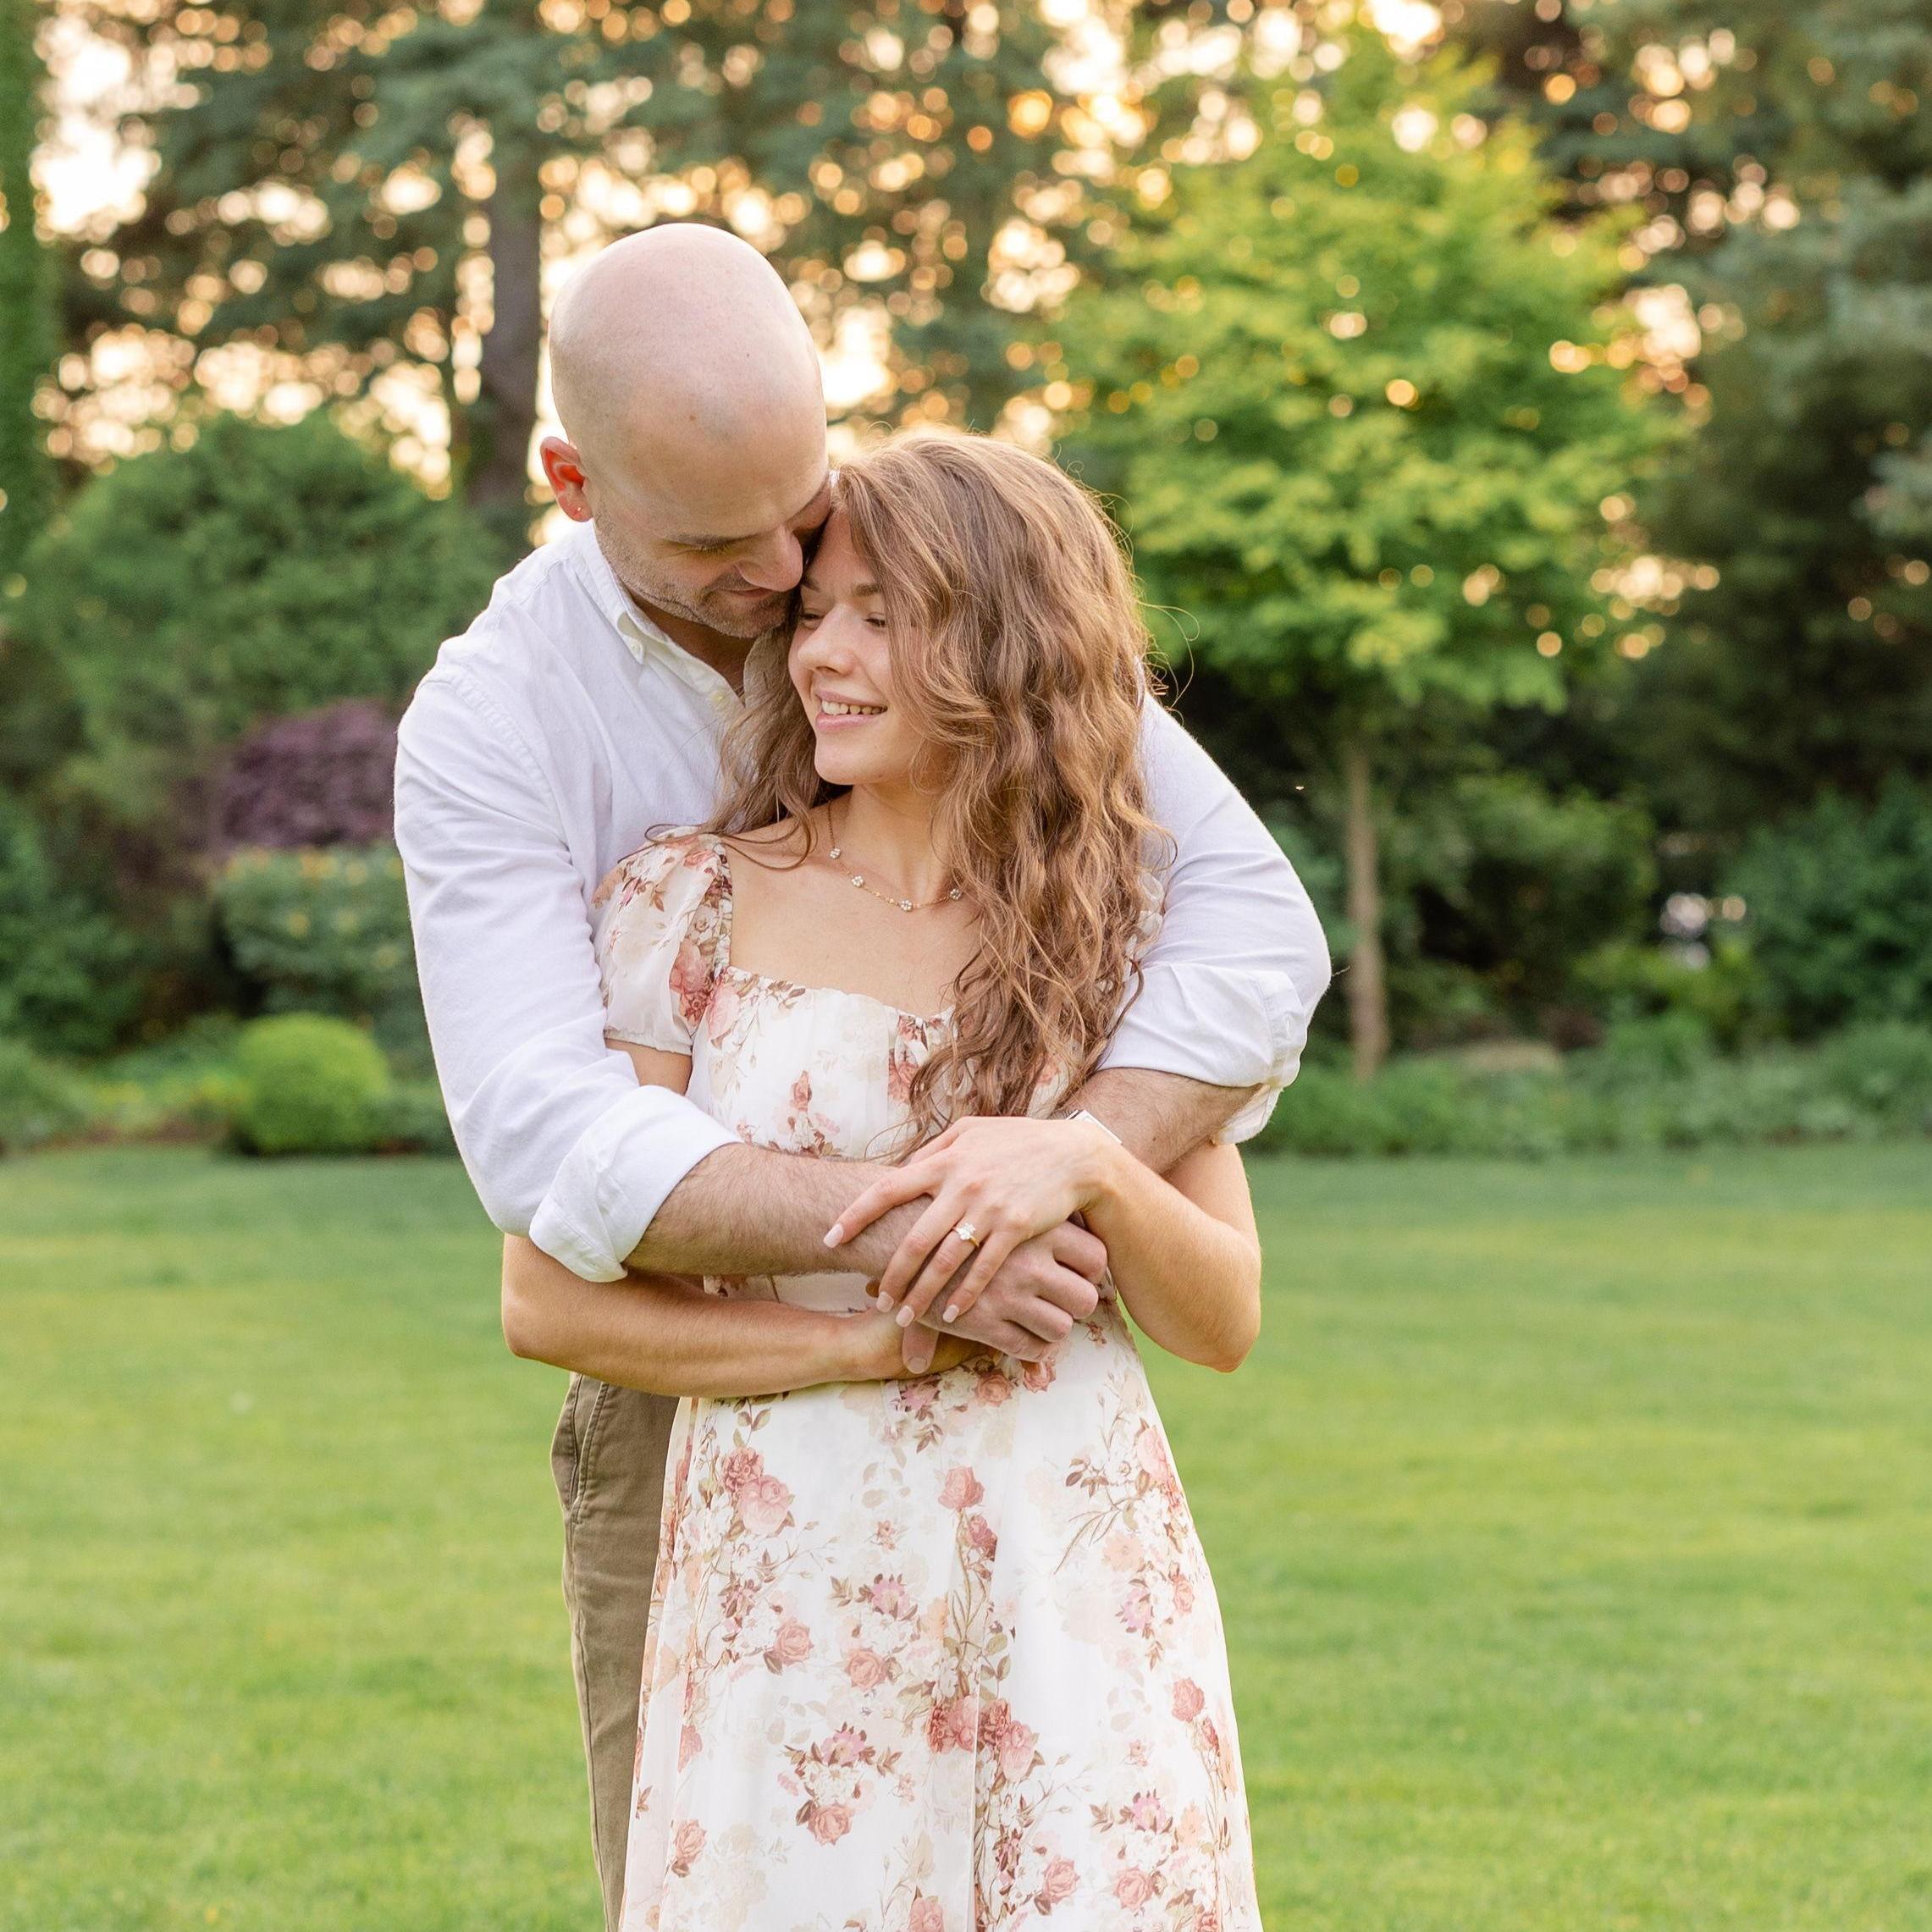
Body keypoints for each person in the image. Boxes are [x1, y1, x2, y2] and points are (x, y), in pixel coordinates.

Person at [393, 224, 1328, 1930]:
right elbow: (549, 1156)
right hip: (727, 1440)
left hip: (1055, 1499)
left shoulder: (1047, 826)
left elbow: (1255, 936)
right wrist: (928, 1250)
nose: (787, 589)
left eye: (809, 526)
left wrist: (1066, 1162)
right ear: (572, 483)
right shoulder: (506, 729)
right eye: (724, 551)